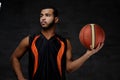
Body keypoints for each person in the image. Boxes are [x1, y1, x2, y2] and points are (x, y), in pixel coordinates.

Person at [10, 6, 104, 80]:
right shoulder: (29, 40)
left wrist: (88, 54)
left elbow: (69, 68)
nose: (43, 18)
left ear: (56, 19)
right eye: (41, 15)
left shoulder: (64, 43)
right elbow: (14, 57)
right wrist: (20, 77)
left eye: (47, 15)